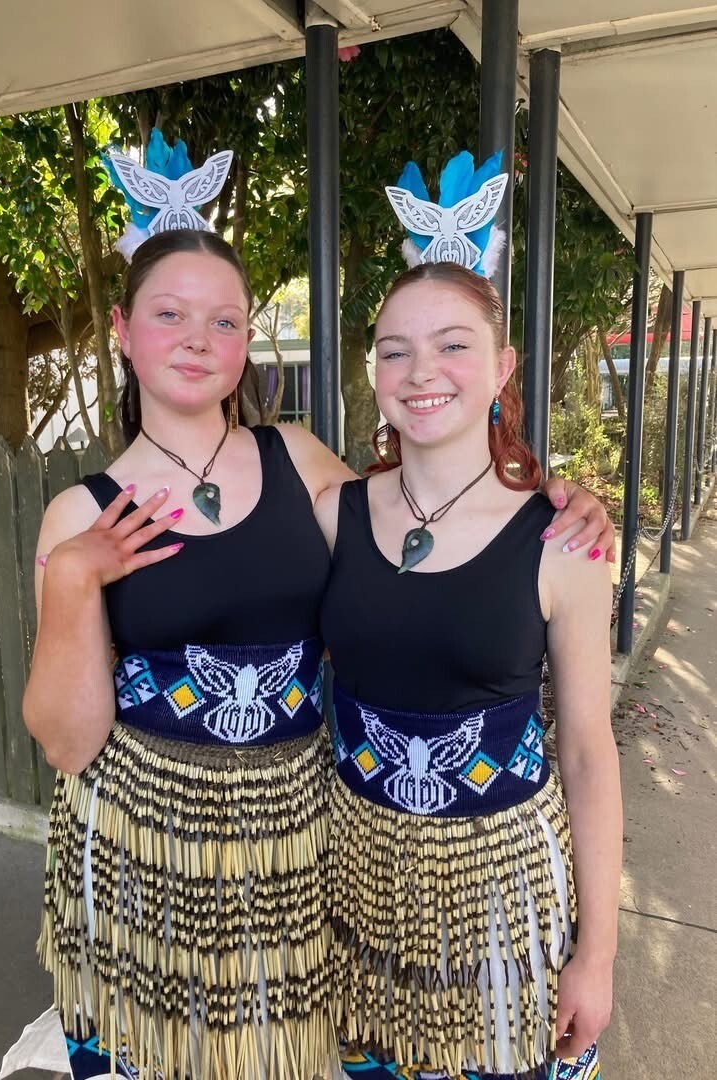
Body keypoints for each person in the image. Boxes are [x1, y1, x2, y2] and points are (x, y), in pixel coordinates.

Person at [4, 187, 615, 1078]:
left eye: (222, 320)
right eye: (169, 314)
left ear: (245, 339)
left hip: (303, 852)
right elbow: (67, 742)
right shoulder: (77, 515)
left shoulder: (300, 467)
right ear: (123, 332)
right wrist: (70, 580)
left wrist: (560, 496)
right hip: (145, 849)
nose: (196, 339)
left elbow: (430, 519)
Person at [316, 260, 621, 1080]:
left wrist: (599, 955)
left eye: (453, 345)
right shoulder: (333, 514)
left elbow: (589, 752)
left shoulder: (564, 542)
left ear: (502, 367)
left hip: (505, 900)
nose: (420, 373)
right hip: (359, 890)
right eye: (393, 350)